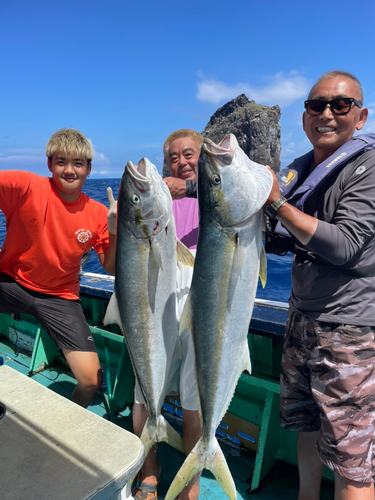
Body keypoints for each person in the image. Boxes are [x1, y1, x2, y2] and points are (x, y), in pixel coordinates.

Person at [264, 71, 375, 500]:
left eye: (340, 105)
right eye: (316, 105)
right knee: (306, 429)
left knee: (352, 459)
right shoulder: (304, 170)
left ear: (360, 116)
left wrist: (275, 203)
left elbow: (346, 246)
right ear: (305, 116)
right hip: (302, 319)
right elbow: (277, 239)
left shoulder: (366, 167)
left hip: (349, 333)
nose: (326, 113)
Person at [0, 128, 117, 408]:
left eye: (78, 163)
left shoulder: (99, 213)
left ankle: (67, 425)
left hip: (59, 296)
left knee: (90, 381)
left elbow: (111, 267)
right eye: (61, 162)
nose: (69, 170)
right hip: (11, 282)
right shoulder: (24, 185)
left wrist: (114, 232)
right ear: (49, 164)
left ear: (88, 168)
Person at [132, 129, 203, 500]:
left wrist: (192, 189)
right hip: (157, 310)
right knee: (144, 397)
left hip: (201, 308)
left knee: (194, 400)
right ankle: (150, 468)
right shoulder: (155, 199)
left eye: (189, 154)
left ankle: (189, 483)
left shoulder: (213, 195)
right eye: (173, 157)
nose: (181, 162)